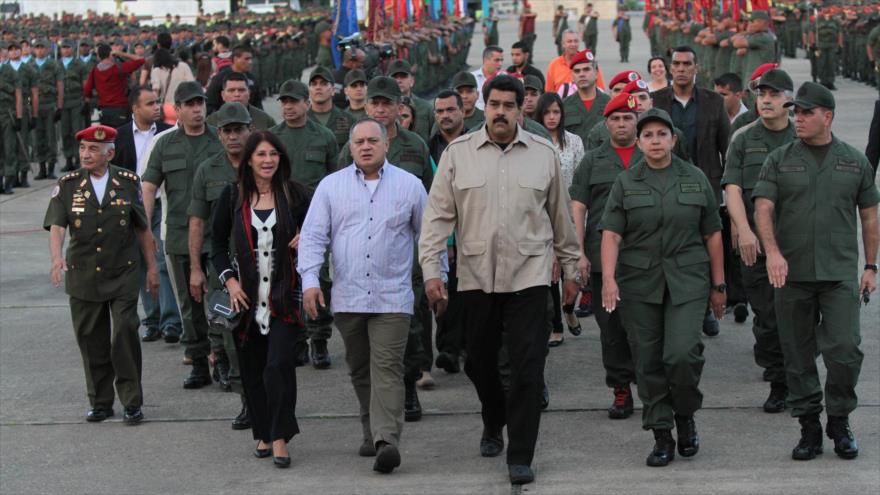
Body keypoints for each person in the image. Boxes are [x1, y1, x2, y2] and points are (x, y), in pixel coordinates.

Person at [419, 75, 582, 486]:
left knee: (528, 368)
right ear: (484, 107)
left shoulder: (543, 154)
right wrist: (432, 271)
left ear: (520, 109)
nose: (501, 112)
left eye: (510, 105)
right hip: (475, 278)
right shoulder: (459, 154)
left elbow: (561, 219)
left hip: (529, 278)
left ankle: (521, 454)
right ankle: (493, 419)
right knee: (478, 363)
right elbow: (437, 218)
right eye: (495, 104)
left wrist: (571, 270)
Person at [753, 82, 879, 461]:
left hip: (839, 272)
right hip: (791, 275)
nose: (798, 119)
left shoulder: (854, 161)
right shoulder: (779, 159)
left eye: (807, 113)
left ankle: (839, 420)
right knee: (797, 355)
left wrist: (871, 265)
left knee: (844, 351)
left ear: (828, 116)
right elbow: (763, 208)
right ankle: (808, 426)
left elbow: (870, 216)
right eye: (797, 112)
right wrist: (772, 252)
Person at [299, 118, 428, 475]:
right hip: (348, 297)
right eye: (360, 142)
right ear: (351, 148)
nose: (366, 146)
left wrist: (435, 278)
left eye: (373, 140)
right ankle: (370, 430)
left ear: (387, 144)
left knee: (386, 366)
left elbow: (427, 236)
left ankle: (387, 439)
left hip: (393, 297)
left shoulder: (410, 186)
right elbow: (313, 237)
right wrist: (310, 280)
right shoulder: (331, 187)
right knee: (360, 368)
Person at [600, 108, 726, 467]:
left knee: (683, 354)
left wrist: (719, 285)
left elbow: (712, 234)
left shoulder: (695, 177)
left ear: (673, 139)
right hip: (640, 284)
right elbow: (611, 234)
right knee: (649, 361)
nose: (655, 141)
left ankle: (685, 415)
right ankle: (661, 432)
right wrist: (608, 279)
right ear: (638, 143)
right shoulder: (626, 183)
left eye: (661, 134)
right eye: (648, 135)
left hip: (688, 281)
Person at [43, 124, 159, 424]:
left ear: (110, 153)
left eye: (94, 149)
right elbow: (57, 226)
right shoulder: (68, 184)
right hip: (84, 275)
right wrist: (56, 258)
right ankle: (100, 401)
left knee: (124, 332)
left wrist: (152, 269)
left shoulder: (127, 180)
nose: (86, 154)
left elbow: (142, 228)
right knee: (91, 339)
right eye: (82, 149)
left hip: (124, 272)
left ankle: (132, 401)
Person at [211, 131, 311, 468]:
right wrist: (230, 282)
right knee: (252, 370)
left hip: (285, 297)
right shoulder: (231, 196)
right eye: (261, 154)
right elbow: (216, 247)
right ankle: (263, 432)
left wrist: (307, 237)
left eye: (273, 154)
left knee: (278, 366)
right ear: (249, 160)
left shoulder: (295, 195)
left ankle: (280, 435)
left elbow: (322, 226)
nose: (267, 160)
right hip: (245, 301)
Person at [336, 77, 433, 421]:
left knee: (412, 325)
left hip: (407, 254)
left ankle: (408, 387)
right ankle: (380, 399)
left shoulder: (415, 145)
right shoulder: (350, 149)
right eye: (374, 103)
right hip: (364, 258)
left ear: (398, 106)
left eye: (387, 103)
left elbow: (431, 201)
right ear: (366, 107)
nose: (380, 108)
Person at [721, 69, 797, 414]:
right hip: (756, 244)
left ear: (788, 100)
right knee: (767, 315)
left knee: (799, 315)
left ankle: (798, 375)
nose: (764, 100)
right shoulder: (743, 137)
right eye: (760, 94)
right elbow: (732, 188)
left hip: (797, 244)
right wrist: (744, 229)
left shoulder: (803, 135)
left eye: (773, 94)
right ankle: (779, 380)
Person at [141, 81, 224, 388]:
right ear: (177, 109)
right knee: (189, 306)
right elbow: (149, 187)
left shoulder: (219, 141)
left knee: (220, 302)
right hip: (177, 236)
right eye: (189, 104)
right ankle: (199, 361)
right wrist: (146, 228)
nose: (196, 109)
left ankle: (222, 359)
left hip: (217, 237)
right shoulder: (165, 144)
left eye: (200, 103)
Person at [569, 92, 642, 420]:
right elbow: (578, 207)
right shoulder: (593, 160)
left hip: (647, 260)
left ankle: (651, 384)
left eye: (628, 118)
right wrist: (579, 253)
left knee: (647, 327)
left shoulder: (652, 153)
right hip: (603, 262)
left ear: (636, 120)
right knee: (611, 329)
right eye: (616, 118)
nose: (622, 124)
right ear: (606, 123)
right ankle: (621, 388)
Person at [651, 46, 731, 337]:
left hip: (704, 188)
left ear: (697, 67)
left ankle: (705, 307)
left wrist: (726, 189)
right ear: (670, 68)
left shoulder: (712, 102)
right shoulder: (656, 100)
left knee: (704, 247)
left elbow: (727, 149)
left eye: (687, 63)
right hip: (663, 186)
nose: (681, 68)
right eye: (677, 63)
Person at [188, 102, 253, 427]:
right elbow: (197, 221)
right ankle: (247, 401)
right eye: (227, 131)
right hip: (222, 268)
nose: (233, 136)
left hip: (261, 265)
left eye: (239, 129)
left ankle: (268, 397)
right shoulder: (207, 170)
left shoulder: (264, 163)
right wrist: (196, 269)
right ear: (219, 134)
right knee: (231, 336)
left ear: (249, 130)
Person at [269, 79, 339, 368]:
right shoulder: (272, 138)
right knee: (284, 281)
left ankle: (319, 339)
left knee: (318, 277)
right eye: (284, 102)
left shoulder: (323, 137)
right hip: (280, 217)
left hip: (316, 217)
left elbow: (335, 181)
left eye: (294, 101)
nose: (288, 107)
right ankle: (295, 340)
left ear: (306, 104)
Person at [111, 87, 179, 346]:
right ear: (134, 108)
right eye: (150, 103)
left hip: (160, 202)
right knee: (139, 262)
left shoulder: (166, 133)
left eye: (157, 102)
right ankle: (151, 319)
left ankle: (171, 321)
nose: (157, 107)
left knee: (160, 259)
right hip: (131, 207)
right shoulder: (120, 137)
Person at [536, 91, 584, 347]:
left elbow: (580, 180)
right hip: (542, 214)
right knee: (549, 274)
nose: (552, 117)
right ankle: (556, 325)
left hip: (570, 213)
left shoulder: (574, 142)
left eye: (556, 112)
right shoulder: (535, 142)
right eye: (547, 113)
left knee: (571, 272)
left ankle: (568, 308)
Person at [83, 43, 144, 128]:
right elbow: (141, 60)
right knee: (122, 136)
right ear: (110, 54)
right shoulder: (119, 68)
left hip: (104, 110)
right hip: (121, 108)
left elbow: (87, 90)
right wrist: (121, 53)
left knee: (108, 138)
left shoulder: (95, 71)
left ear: (99, 56)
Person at [30, 39, 63, 181]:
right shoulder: (29, 66)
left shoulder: (53, 65)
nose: (40, 50)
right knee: (38, 138)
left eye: (42, 47)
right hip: (35, 107)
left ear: (48, 50)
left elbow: (60, 86)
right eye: (37, 47)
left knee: (51, 138)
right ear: (33, 50)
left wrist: (59, 106)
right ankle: (41, 168)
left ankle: (50, 168)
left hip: (50, 105)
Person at [562, 49, 610, 147]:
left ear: (596, 73)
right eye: (577, 71)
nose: (581, 74)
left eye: (586, 69)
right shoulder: (564, 105)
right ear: (572, 76)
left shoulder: (609, 104)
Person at [58, 38, 90, 172]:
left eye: (68, 47)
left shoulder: (79, 64)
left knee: (77, 131)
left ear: (73, 49)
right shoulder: (56, 64)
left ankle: (79, 158)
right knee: (65, 132)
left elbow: (85, 83)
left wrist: (85, 100)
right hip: (63, 102)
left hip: (76, 101)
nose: (66, 50)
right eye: (63, 47)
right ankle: (68, 159)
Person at [205, 72, 276, 131]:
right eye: (231, 90)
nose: (237, 94)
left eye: (241, 90)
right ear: (223, 95)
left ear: (249, 93)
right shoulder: (211, 122)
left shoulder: (265, 121)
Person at [307, 66, 355, 151]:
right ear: (309, 91)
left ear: (333, 90)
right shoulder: (302, 121)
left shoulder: (349, 120)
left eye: (323, 83)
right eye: (314, 84)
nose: (318, 87)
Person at [205, 44, 263, 114]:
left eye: (251, 59)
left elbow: (258, 105)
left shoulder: (252, 79)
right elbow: (209, 105)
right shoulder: (220, 78)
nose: (250, 62)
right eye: (246, 59)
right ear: (235, 59)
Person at [387, 59, 434, 143]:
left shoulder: (426, 108)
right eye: (395, 77)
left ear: (412, 81)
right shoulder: (383, 109)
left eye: (403, 76)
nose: (399, 80)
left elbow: (434, 139)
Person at [0, 43, 25, 195]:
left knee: (9, 148)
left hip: (7, 114)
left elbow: (18, 94)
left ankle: (9, 180)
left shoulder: (11, 71)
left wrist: (19, 116)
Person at [471, 46, 506, 111]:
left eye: (501, 60)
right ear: (485, 60)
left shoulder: (505, 78)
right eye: (497, 60)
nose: (500, 64)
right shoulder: (472, 77)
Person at [545, 30, 580, 94]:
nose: (573, 44)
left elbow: (600, 90)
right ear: (563, 44)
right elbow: (549, 93)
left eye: (576, 41)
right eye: (569, 41)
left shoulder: (588, 63)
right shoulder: (553, 65)